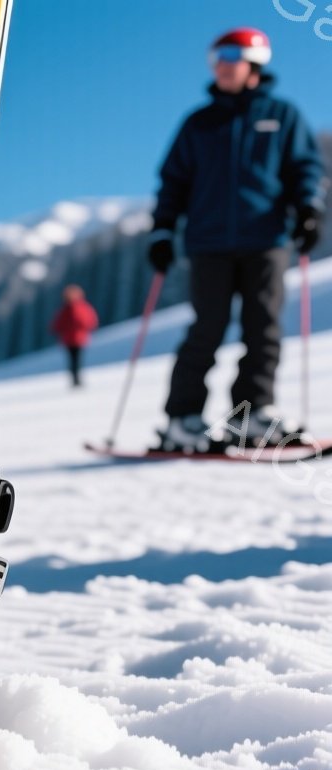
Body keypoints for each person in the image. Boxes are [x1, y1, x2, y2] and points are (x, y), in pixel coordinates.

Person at [150, 27, 324, 452]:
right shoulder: (199, 122)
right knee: (206, 327)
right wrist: (161, 230)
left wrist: (309, 210)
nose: (222, 65)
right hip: (208, 243)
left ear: (255, 62)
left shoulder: (281, 115)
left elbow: (305, 169)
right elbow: (173, 182)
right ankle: (182, 419)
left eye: (231, 55)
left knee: (262, 325)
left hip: (267, 238)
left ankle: (252, 414)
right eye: (216, 58)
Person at [50, 285, 99, 388]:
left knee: (75, 360)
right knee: (75, 360)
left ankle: (76, 379)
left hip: (75, 339)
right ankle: (76, 379)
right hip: (75, 339)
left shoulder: (71, 308)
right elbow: (91, 321)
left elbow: (88, 321)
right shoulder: (78, 307)